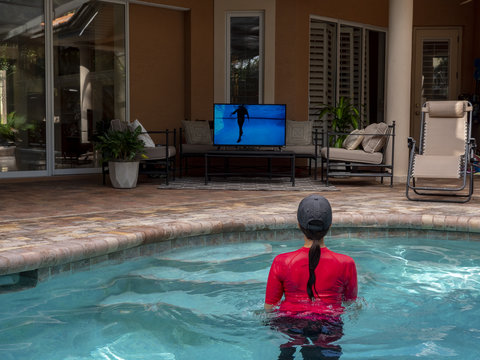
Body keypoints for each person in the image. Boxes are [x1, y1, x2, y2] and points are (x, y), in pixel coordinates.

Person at [264, 194, 358, 360]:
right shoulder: (346, 263)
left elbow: (269, 308)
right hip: (329, 324)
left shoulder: (282, 261)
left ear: (299, 224)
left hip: (289, 322)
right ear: (330, 225)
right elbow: (350, 304)